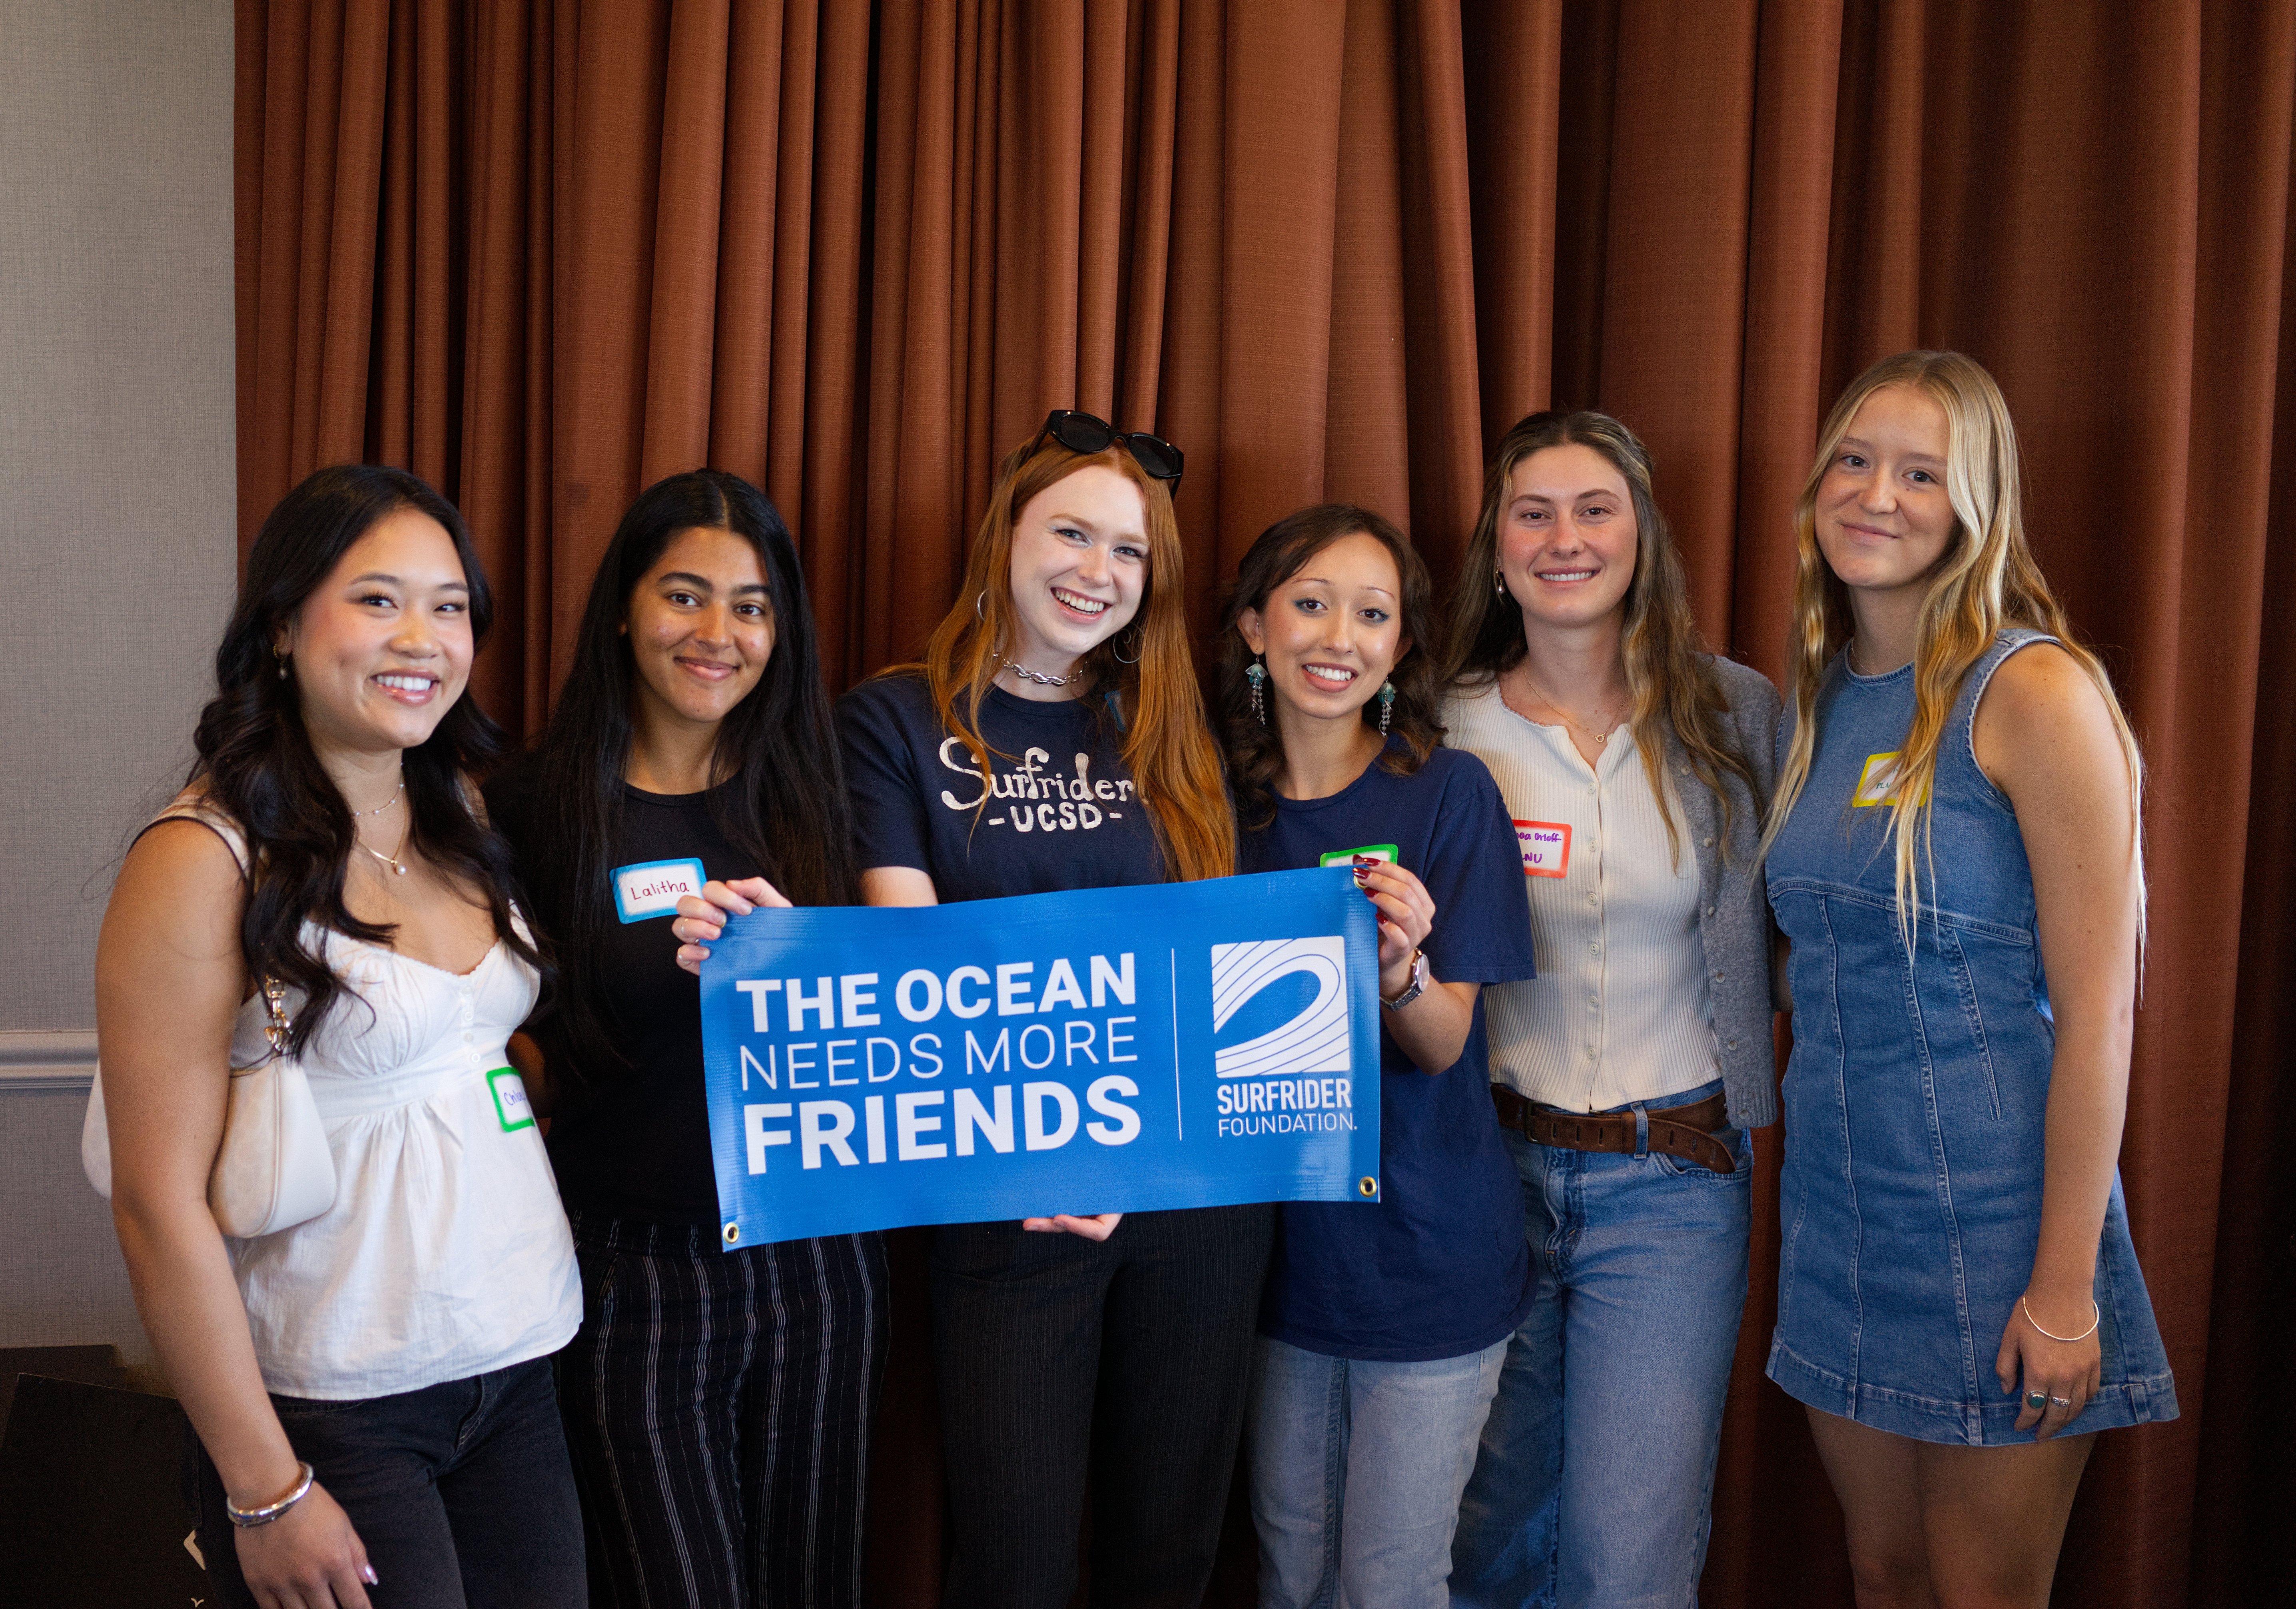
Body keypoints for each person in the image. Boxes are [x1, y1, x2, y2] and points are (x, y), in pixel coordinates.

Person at [744, 410, 1254, 1609]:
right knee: (1013, 1564)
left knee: (1166, 1559)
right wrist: (1048, 1149)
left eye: (1128, 551)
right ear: (1005, 537)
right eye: (1071, 533)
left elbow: (1209, 966)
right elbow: (915, 970)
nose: (1096, 571)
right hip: (1006, 1191)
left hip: (1187, 1192)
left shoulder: (1171, 727)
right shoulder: (896, 719)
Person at [95, 465, 584, 1609]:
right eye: (378, 599)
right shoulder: (200, 858)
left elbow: (472, 1055)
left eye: (450, 605)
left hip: (514, 1366)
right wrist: (264, 1488)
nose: (422, 637)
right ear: (281, 626)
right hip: (333, 1401)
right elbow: (153, 1203)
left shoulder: (457, 808)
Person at [1758, 350, 2175, 1607]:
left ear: (1974, 504)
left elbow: (2100, 1014)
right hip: (1840, 1219)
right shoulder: (1823, 697)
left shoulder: (2035, 690)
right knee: (1883, 1572)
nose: (1877, 495)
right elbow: (1809, 959)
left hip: (2003, 1224)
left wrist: (2062, 1287)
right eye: (1854, 459)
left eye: (1922, 473)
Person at [484, 469, 886, 1607]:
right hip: (630, 1277)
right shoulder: (525, 812)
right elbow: (504, 1057)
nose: (719, 634)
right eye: (686, 596)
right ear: (624, 607)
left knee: (817, 1585)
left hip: (821, 1268)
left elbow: (916, 1023)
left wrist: (798, 969)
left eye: (752, 606)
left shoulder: (825, 801)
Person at [1441, 411, 1781, 1608]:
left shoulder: (1741, 718)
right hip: (1487, 1171)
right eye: (1533, 512)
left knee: (1625, 1559)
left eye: (1597, 510)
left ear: (1644, 537)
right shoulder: (1439, 725)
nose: (1565, 538)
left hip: (1676, 1179)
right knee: (1477, 1539)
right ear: (1496, 547)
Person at [1216, 503, 1536, 1609]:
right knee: (1292, 1570)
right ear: (1256, 627)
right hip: (1277, 1269)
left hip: (1429, 1258)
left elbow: (1447, 1043)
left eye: (1370, 614)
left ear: (1402, 648)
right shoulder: (1210, 804)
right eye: (1309, 604)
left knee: (1390, 1583)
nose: (1335, 637)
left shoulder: (1450, 793)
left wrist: (1399, 967)